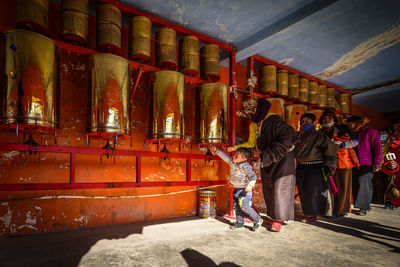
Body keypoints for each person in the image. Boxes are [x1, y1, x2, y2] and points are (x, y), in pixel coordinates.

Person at [228, 97, 298, 232]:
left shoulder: (274, 120)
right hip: (267, 158)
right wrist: (236, 148)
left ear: (259, 110)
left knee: (280, 188)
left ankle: (279, 219)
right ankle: (273, 215)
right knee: (269, 187)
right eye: (247, 113)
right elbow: (251, 143)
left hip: (283, 158)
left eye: (251, 112)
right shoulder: (253, 125)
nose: (249, 115)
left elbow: (289, 138)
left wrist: (270, 153)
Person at [294, 113, 338, 222]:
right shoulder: (300, 136)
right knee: (304, 191)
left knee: (313, 192)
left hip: (315, 166)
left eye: (307, 121)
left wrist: (329, 165)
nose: (304, 123)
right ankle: (308, 212)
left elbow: (331, 149)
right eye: (302, 121)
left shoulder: (319, 135)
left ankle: (313, 214)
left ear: (313, 122)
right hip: (301, 167)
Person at [210, 146, 263, 231]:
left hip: (245, 191)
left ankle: (257, 219)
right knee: (237, 207)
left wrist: (250, 185)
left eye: (237, 155)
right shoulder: (232, 162)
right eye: (235, 154)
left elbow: (253, 177)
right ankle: (239, 223)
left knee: (244, 206)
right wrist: (216, 150)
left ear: (244, 159)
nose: (234, 156)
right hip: (236, 189)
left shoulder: (246, 167)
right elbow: (225, 157)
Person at [319, 107, 359, 217]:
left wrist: (342, 144)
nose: (326, 120)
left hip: (343, 162)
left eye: (329, 117)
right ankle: (329, 210)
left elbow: (355, 141)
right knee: (327, 187)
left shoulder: (343, 128)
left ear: (335, 119)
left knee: (343, 187)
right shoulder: (320, 132)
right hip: (326, 163)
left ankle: (342, 210)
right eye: (324, 118)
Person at [346, 115, 382, 216]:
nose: (350, 126)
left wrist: (377, 162)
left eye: (351, 124)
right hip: (353, 163)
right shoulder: (351, 134)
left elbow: (378, 148)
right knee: (356, 184)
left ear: (358, 123)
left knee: (364, 184)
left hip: (367, 163)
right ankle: (363, 204)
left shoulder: (371, 132)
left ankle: (363, 207)